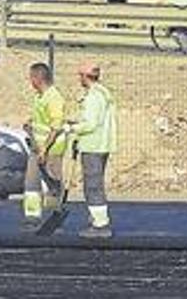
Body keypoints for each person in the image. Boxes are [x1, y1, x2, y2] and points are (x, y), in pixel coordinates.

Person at [66, 62, 117, 239]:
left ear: (85, 76)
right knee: (94, 184)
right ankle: (96, 218)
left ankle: (100, 224)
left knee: (93, 186)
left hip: (93, 146)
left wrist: (70, 129)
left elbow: (91, 124)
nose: (79, 79)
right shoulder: (101, 93)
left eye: (80, 75)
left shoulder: (94, 97)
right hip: (99, 144)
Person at [20, 63, 67, 231]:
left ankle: (54, 217)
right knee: (31, 182)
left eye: (32, 77)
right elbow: (41, 121)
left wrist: (45, 149)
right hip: (37, 147)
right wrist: (30, 125)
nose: (30, 81)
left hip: (52, 149)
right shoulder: (39, 96)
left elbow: (56, 126)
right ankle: (32, 217)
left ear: (38, 78)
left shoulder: (54, 97)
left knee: (53, 182)